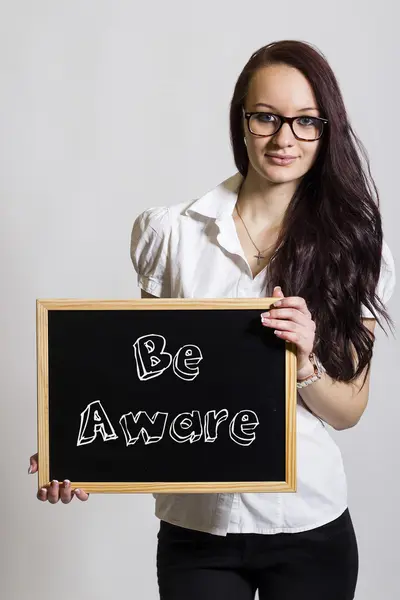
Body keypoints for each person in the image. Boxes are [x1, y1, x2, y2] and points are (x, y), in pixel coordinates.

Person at [29, 39, 396, 600]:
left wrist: (305, 363)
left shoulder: (358, 249)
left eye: (305, 122)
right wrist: (74, 449)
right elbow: (148, 377)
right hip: (196, 527)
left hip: (308, 524)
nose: (283, 138)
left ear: (327, 130)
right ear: (241, 120)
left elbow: (349, 410)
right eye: (267, 117)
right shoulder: (170, 234)